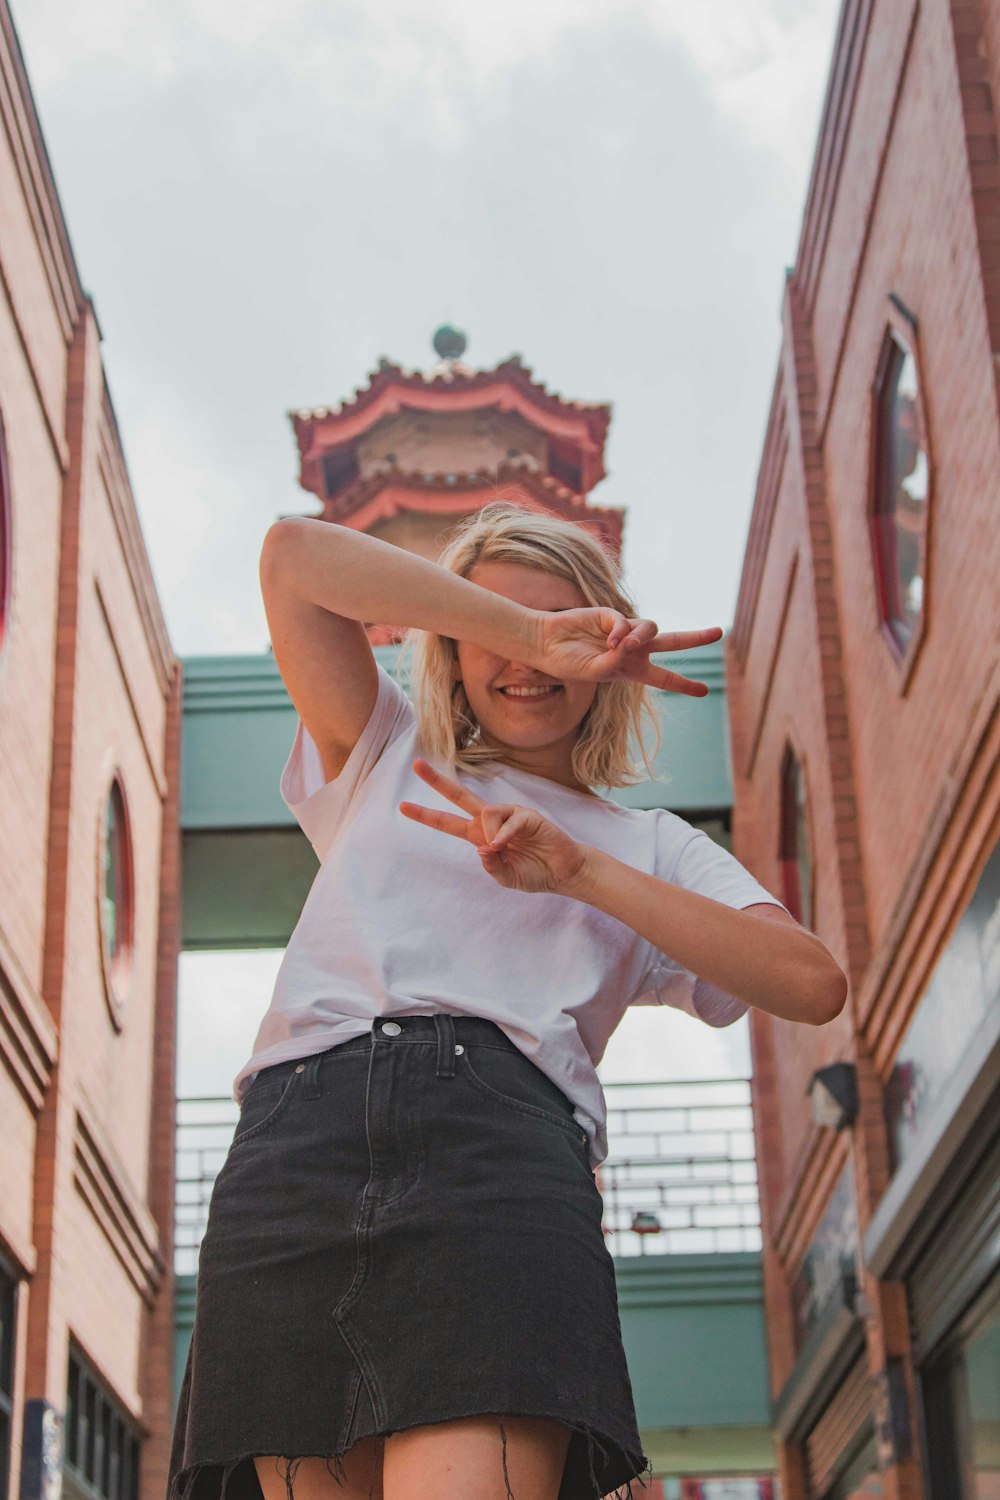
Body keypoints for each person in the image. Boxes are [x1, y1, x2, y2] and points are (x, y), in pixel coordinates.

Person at [168, 502, 847, 1500]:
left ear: (608, 646)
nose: (525, 666)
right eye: (491, 631)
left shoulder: (653, 843)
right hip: (294, 1144)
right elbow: (293, 555)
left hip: (499, 1155)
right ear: (455, 647)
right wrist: (531, 634)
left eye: (564, 627)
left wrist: (579, 872)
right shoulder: (384, 751)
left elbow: (811, 980)